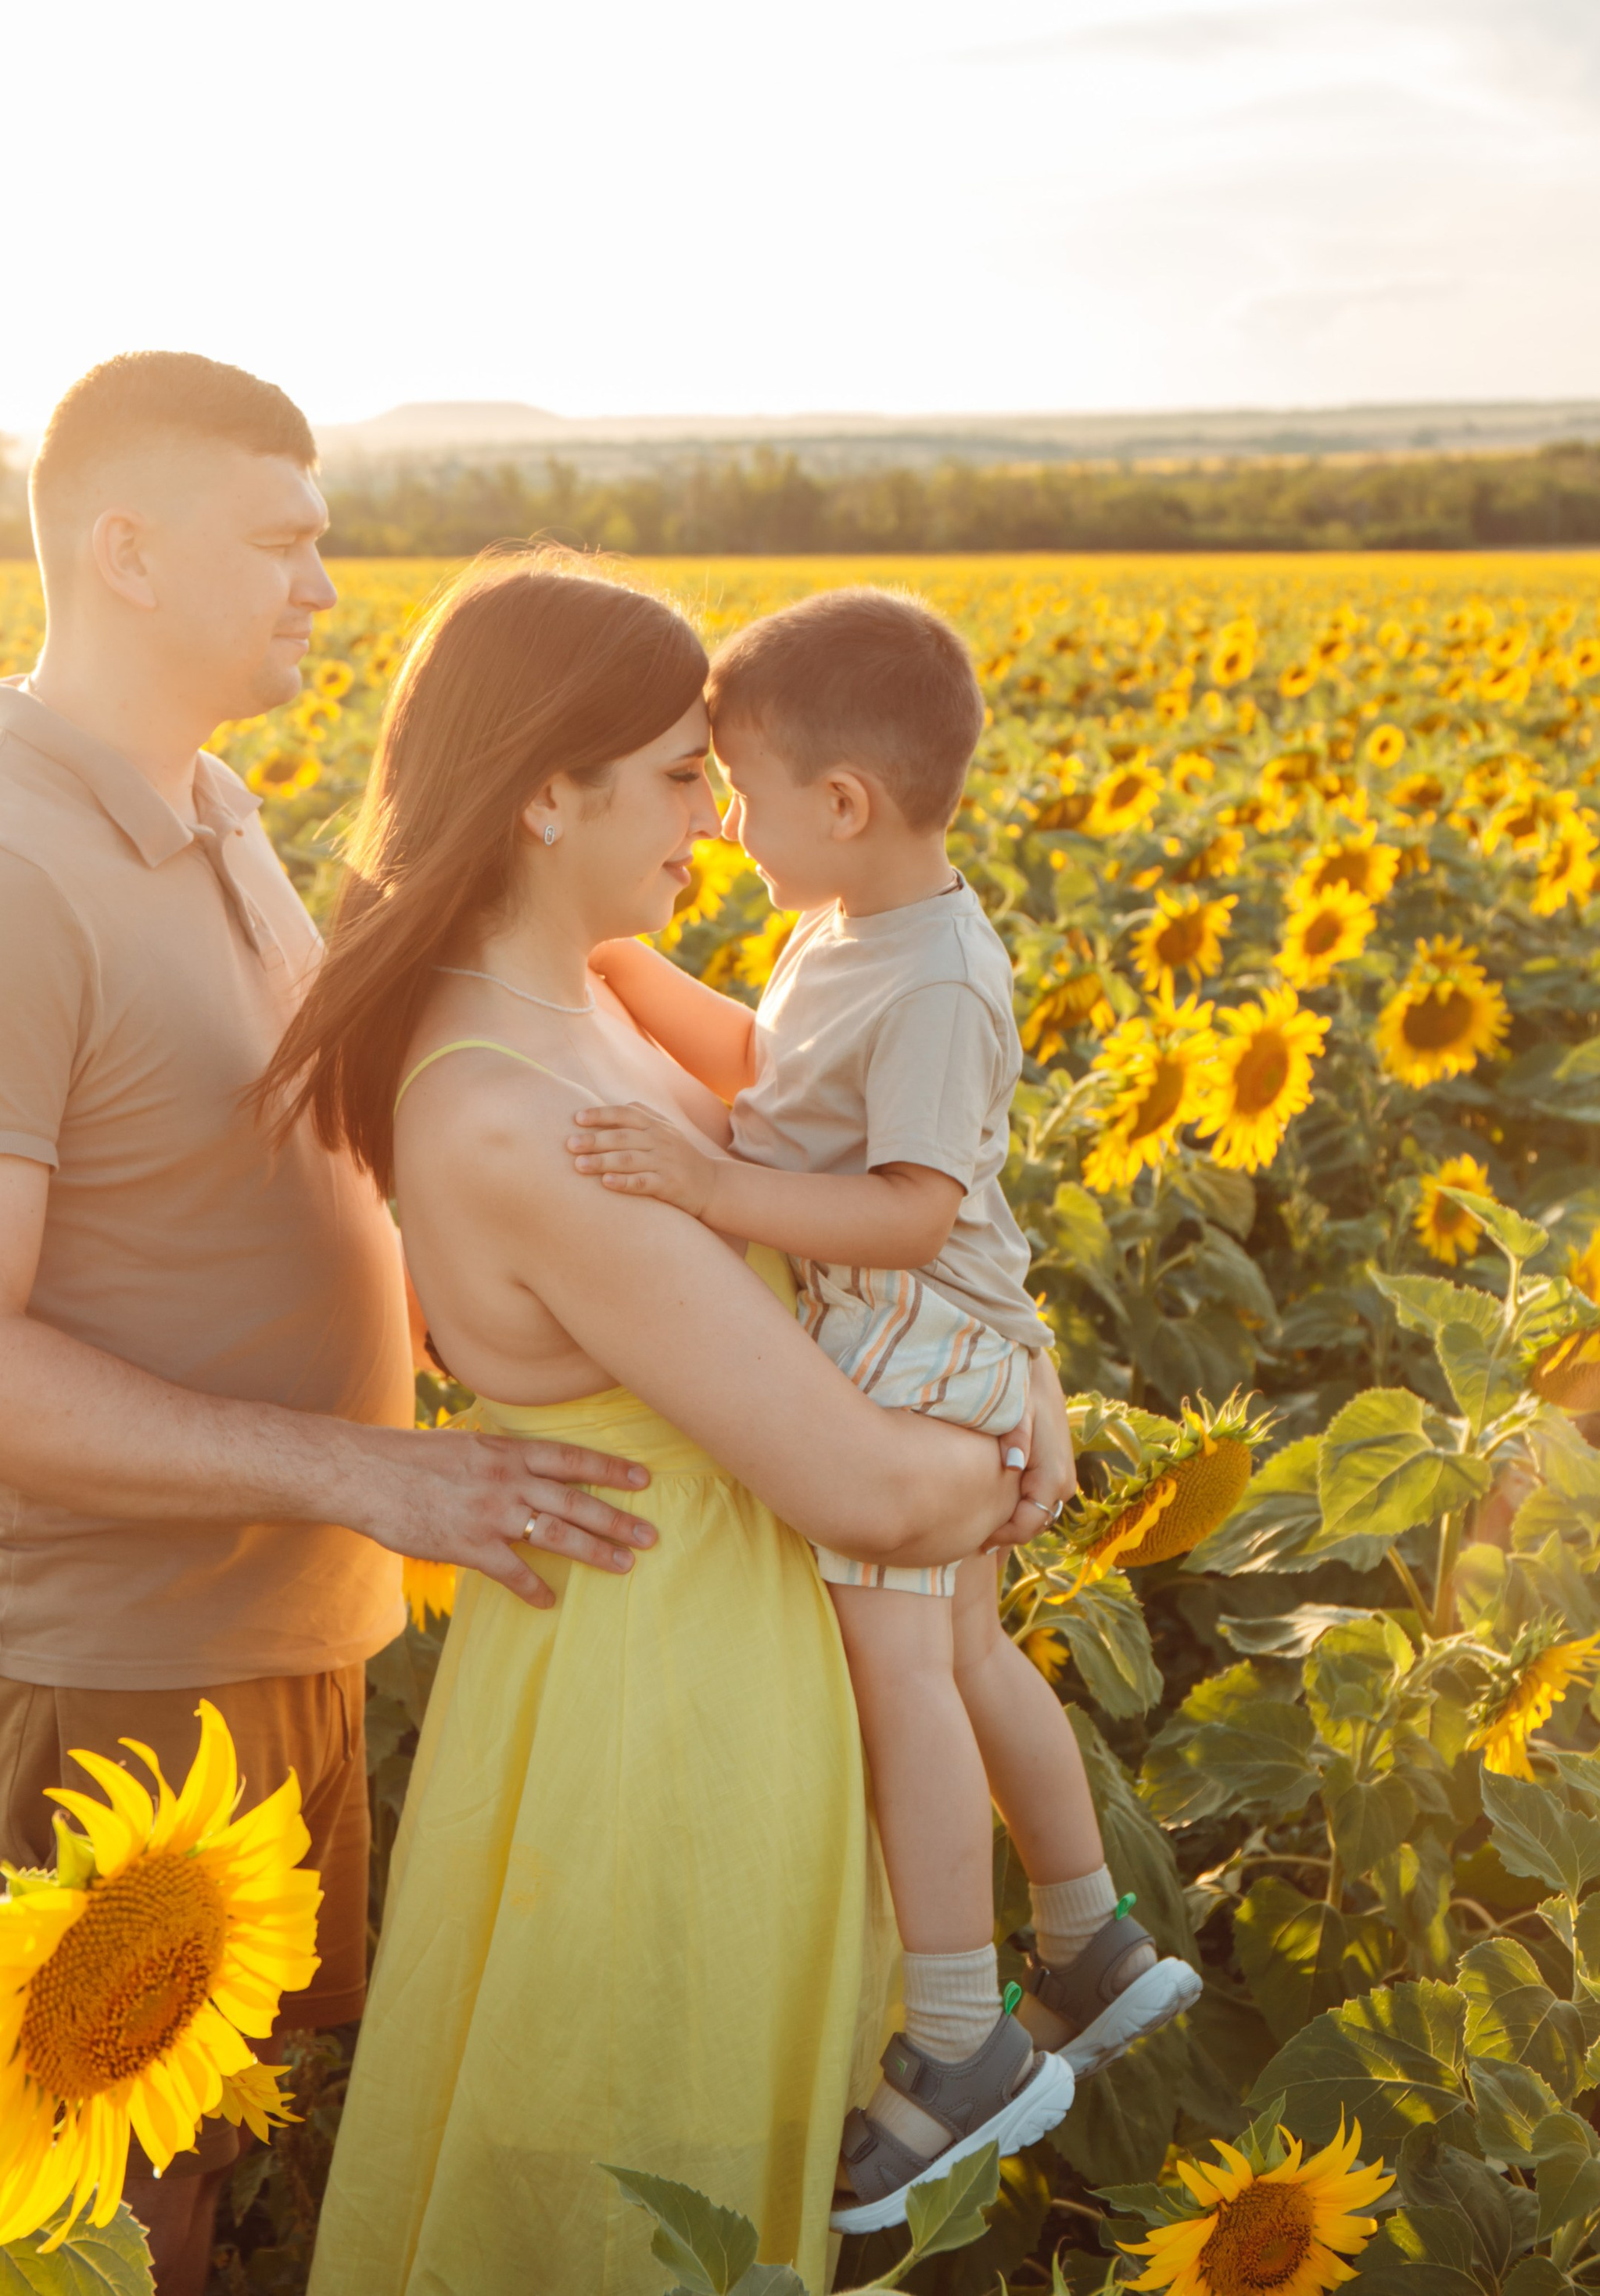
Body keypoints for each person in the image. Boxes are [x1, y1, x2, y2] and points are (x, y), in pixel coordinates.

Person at [0, 355, 661, 2294]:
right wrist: (367, 1470)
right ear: (124, 551)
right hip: (90, 1657)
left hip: (273, 1621)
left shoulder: (206, 811)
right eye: (282, 542)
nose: (322, 589)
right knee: (79, 2225)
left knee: (205, 2166)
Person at [271, 554, 1077, 2295]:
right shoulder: (511, 1111)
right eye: (673, 777)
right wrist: (1012, 1446)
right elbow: (854, 1475)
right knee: (652, 2194)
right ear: (542, 790)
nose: (713, 823)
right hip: (663, 1705)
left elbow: (884, 1199)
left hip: (730, 1661)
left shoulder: (597, 999)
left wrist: (1019, 1362)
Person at [567, 588, 1202, 2233]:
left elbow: (909, 1207)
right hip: (945, 1341)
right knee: (972, 1659)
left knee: (902, 1675)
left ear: (839, 806)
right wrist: (615, 964)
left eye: (737, 791)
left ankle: (955, 2039)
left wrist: (704, 1191)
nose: (718, 820)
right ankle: (1087, 1939)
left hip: (917, 1338)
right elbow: (774, 1093)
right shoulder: (846, 934)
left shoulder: (928, 982)